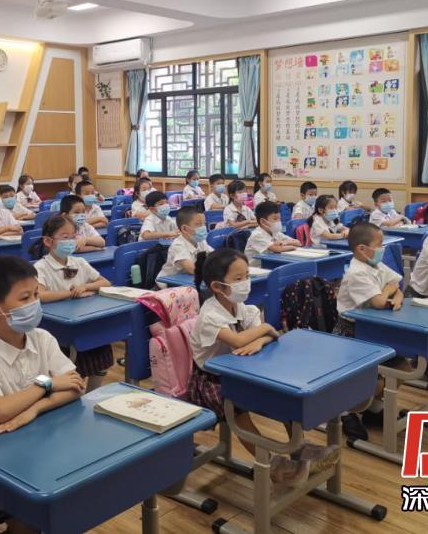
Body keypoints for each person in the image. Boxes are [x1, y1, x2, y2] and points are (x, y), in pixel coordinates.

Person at [189, 249, 331, 483]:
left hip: (244, 370)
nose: (246, 282)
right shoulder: (209, 315)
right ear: (217, 286)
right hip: (211, 382)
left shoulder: (242, 307)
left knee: (282, 392)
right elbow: (239, 340)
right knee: (238, 411)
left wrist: (262, 338)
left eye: (247, 275)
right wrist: (265, 330)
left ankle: (299, 448)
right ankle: (271, 464)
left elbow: (267, 336)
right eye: (238, 278)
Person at [0, 256, 84, 438]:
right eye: (25, 298)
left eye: (36, 294)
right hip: (1, 442)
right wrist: (47, 384)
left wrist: (35, 409)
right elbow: (2, 411)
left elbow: (76, 387)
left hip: (43, 433)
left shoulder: (42, 338)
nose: (34, 303)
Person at [334, 221, 403, 440]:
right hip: (351, 332)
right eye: (379, 244)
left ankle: (373, 408)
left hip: (375, 328)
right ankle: (346, 411)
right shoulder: (357, 272)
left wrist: (395, 294)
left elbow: (398, 286)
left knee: (403, 367)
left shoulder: (375, 265)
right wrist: (390, 291)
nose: (383, 248)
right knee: (376, 380)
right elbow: (380, 302)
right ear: (362, 249)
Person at [33, 215, 112, 391]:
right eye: (65, 237)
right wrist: (71, 294)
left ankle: (92, 393)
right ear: (48, 241)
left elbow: (105, 282)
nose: (70, 241)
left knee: (101, 348)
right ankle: (75, 393)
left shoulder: (79, 262)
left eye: (73, 236)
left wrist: (85, 286)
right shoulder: (41, 267)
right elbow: (40, 295)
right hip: (56, 326)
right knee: (75, 365)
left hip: (84, 319)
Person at [161, 206, 213, 276]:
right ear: (184, 229)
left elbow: (214, 256)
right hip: (170, 280)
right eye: (198, 224)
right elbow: (192, 269)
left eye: (204, 223)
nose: (203, 227)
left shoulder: (200, 241)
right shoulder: (178, 245)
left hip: (189, 278)